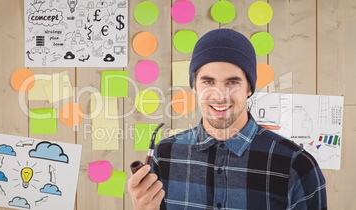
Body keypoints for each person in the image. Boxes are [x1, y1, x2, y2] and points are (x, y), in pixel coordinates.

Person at [128, 28, 327, 210]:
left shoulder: (298, 165)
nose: (219, 94)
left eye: (232, 82)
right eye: (208, 81)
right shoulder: (163, 156)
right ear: (195, 87)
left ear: (249, 88)